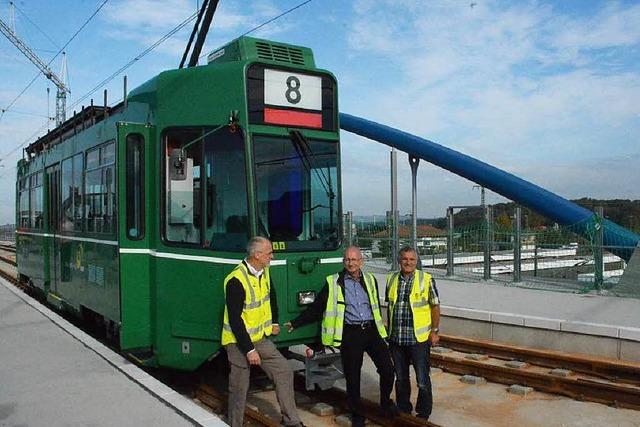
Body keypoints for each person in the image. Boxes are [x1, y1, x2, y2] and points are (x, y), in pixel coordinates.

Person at [285, 246, 396, 427]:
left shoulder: (370, 279)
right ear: (344, 262)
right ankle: (357, 415)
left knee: (388, 370)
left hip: (372, 331)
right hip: (351, 334)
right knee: (353, 377)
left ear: (361, 261)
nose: (351, 263)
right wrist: (296, 323)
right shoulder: (334, 282)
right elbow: (317, 308)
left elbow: (375, 305)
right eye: (347, 260)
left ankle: (385, 403)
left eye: (354, 260)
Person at [221, 236, 305, 427]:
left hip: (259, 338)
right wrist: (249, 350)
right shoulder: (235, 280)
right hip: (237, 342)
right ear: (257, 255)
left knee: (283, 370)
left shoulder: (264, 272)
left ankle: (291, 421)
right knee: (239, 386)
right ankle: (235, 423)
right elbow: (235, 320)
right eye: (269, 253)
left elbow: (271, 296)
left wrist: (274, 321)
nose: (272, 257)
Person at [386, 246, 441, 420]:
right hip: (397, 339)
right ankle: (404, 409)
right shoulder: (391, 279)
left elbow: (435, 306)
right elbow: (390, 307)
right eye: (405, 259)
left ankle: (423, 413)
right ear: (399, 261)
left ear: (416, 262)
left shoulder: (426, 279)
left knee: (422, 380)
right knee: (401, 378)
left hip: (419, 339)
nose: (408, 262)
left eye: (412, 259)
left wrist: (435, 331)